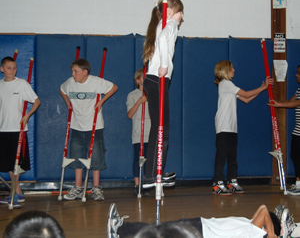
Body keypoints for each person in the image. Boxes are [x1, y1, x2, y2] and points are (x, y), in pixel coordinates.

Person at [60, 58, 118, 201]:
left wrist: (101, 101)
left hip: (94, 126)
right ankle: (78, 188)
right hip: (76, 125)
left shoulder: (96, 81)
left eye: (76, 71)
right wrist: (67, 101)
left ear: (85, 72)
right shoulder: (70, 83)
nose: (73, 74)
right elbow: (62, 89)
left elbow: (114, 87)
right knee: (76, 157)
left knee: (96, 157)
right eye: (72, 71)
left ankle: (96, 188)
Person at [212, 60, 273, 195]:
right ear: (226, 70)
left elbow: (246, 100)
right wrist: (263, 87)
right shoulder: (225, 84)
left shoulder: (229, 86)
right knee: (222, 156)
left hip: (232, 127)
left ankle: (232, 181)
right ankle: (217, 183)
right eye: (232, 68)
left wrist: (262, 88)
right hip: (223, 126)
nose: (234, 70)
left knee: (232, 156)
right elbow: (245, 94)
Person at [142, 0, 184, 188]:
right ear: (172, 10)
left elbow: (161, 39)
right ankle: (152, 174)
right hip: (157, 79)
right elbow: (163, 39)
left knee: (160, 129)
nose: (182, 16)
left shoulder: (162, 24)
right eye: (180, 11)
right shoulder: (170, 24)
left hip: (155, 81)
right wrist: (165, 65)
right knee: (161, 129)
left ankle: (155, 171)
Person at [107, 203, 294, 238]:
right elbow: (261, 211)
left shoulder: (256, 234)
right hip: (200, 227)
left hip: (200, 230)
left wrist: (270, 234)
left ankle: (120, 229)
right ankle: (121, 230)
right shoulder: (251, 225)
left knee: (159, 231)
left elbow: (263, 210)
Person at [0, 56, 40, 208]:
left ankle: (14, 195)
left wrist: (27, 116)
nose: (12, 70)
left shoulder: (22, 84)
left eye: (14, 67)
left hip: (18, 129)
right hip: (3, 129)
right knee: (10, 164)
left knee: (16, 163)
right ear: (2, 69)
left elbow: (36, 101)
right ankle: (18, 193)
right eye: (9, 68)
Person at [268, 65, 300, 195]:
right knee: (295, 156)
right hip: (298, 130)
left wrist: (279, 104)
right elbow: (290, 101)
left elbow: (297, 103)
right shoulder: (299, 90)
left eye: (298, 73)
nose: (296, 75)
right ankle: (298, 183)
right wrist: (277, 102)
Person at [126, 68, 151, 195]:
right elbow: (129, 115)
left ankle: (148, 184)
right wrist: (139, 102)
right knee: (138, 159)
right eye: (144, 77)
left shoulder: (153, 94)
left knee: (150, 160)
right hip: (138, 133)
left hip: (150, 132)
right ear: (138, 80)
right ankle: (137, 185)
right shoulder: (132, 95)